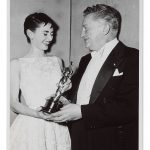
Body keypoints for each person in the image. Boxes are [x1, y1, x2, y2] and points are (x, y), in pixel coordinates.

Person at [47, 4, 139, 150]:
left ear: (105, 29)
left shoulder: (134, 58)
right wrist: (64, 100)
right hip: (78, 137)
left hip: (110, 141)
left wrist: (82, 112)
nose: (82, 34)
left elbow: (131, 107)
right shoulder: (85, 60)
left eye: (86, 28)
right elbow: (80, 97)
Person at [10, 12, 71, 150]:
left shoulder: (57, 61)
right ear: (30, 34)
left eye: (52, 33)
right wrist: (38, 114)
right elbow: (13, 103)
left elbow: (61, 98)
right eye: (45, 33)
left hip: (57, 126)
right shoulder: (16, 64)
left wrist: (65, 92)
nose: (50, 38)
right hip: (31, 126)